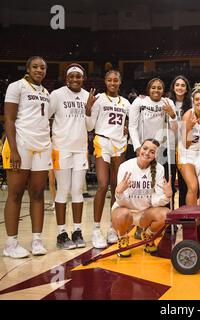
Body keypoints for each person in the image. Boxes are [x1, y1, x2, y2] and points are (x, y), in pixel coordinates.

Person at [2, 56, 51, 258]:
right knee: (15, 194)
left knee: (38, 194)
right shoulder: (16, 87)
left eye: (43, 67)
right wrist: (13, 150)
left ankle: (36, 240)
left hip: (42, 146)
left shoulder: (46, 92)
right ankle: (10, 244)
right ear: (28, 68)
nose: (39, 70)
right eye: (35, 67)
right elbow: (9, 119)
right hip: (20, 145)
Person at [86, 70, 130, 249]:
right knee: (103, 185)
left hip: (119, 144)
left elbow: (126, 124)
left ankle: (112, 227)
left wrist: (126, 129)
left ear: (120, 82)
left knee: (116, 187)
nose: (112, 83)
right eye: (109, 80)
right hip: (102, 141)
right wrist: (88, 108)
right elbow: (90, 126)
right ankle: (96, 229)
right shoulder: (99, 100)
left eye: (116, 80)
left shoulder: (126, 102)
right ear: (105, 81)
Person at [49, 63, 90, 249]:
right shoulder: (56, 95)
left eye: (78, 76)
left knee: (77, 191)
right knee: (63, 190)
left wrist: (88, 109)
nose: (75, 79)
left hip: (80, 149)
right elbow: (46, 117)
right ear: (67, 78)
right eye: (72, 76)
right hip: (61, 148)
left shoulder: (88, 96)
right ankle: (61, 233)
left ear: (83, 78)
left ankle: (77, 231)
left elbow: (90, 127)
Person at [129, 78, 176, 237]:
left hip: (161, 149)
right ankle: (140, 224)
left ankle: (166, 221)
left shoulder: (168, 102)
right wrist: (137, 146)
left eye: (160, 88)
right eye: (153, 88)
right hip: (144, 149)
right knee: (143, 186)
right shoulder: (139, 102)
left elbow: (174, 127)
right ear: (148, 89)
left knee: (161, 186)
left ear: (164, 90)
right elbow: (132, 126)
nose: (156, 90)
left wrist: (172, 115)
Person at [111, 139, 172, 257]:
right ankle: (123, 238)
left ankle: (148, 235)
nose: (147, 153)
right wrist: (119, 193)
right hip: (126, 211)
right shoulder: (125, 166)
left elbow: (156, 200)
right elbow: (122, 202)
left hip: (145, 214)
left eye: (152, 151)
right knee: (121, 214)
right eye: (145, 148)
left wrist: (166, 197)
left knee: (166, 214)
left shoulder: (159, 169)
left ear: (155, 156)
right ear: (140, 149)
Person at [168, 75, 192, 208]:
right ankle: (170, 215)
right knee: (169, 183)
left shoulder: (192, 103)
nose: (180, 87)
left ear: (187, 88)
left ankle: (184, 216)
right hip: (169, 147)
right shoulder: (166, 101)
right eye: (177, 85)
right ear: (173, 87)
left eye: (183, 85)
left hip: (185, 148)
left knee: (184, 183)